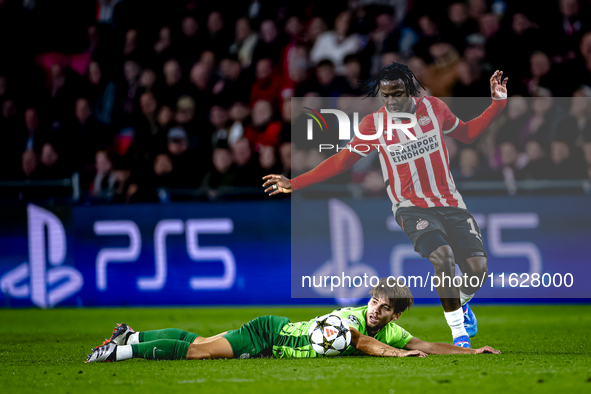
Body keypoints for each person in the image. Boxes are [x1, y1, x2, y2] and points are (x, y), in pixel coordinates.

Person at [262, 62, 508, 348]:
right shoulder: (374, 124)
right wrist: (296, 182)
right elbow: (342, 161)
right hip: (410, 208)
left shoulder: (434, 108)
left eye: (397, 94)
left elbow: (467, 134)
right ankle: (459, 336)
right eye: (386, 95)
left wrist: (497, 104)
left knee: (477, 271)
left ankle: (462, 304)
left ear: (410, 91)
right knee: (443, 257)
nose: (391, 101)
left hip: (451, 203)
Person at [85, 278, 500, 363]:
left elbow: (426, 345)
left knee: (198, 340)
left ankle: (130, 333)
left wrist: (468, 349)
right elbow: (363, 343)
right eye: (374, 300)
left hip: (274, 339)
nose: (375, 308)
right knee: (198, 352)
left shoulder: (392, 329)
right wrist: (399, 357)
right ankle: (120, 351)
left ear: (395, 313)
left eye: (384, 306)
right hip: (269, 333)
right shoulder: (352, 317)